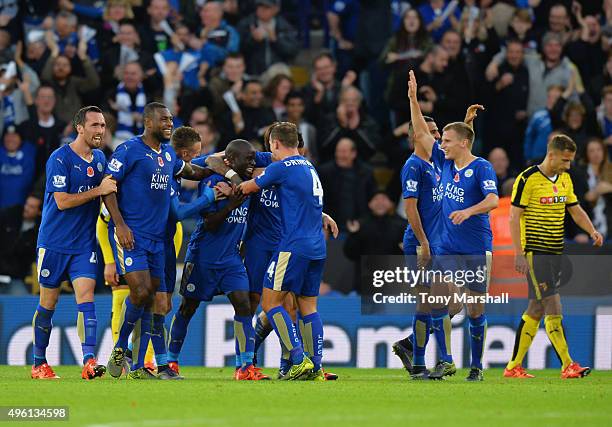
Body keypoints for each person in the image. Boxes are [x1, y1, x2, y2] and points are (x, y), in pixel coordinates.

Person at [104, 102, 213, 380]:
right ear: (148, 122)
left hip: (158, 241)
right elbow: (108, 188)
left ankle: (140, 365)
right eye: (164, 120)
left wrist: (223, 164)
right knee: (140, 293)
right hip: (132, 236)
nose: (169, 124)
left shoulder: (167, 153)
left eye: (171, 120)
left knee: (152, 299)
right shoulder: (128, 150)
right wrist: (120, 225)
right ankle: (120, 349)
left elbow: (192, 171)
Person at [409, 70, 499, 381]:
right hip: (446, 246)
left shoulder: (482, 167)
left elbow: (493, 201)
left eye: (446, 140)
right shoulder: (446, 162)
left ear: (461, 143)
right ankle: (446, 359)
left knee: (475, 310)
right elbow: (421, 133)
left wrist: (468, 211)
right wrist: (412, 100)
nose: (440, 143)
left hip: (476, 247)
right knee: (436, 298)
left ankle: (476, 367)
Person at [167, 139, 270, 380]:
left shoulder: (247, 186)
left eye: (254, 159)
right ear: (230, 162)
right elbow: (211, 223)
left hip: (231, 260)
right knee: (187, 308)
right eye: (248, 159)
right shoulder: (213, 182)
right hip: (203, 257)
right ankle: (171, 361)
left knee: (244, 305)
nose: (252, 163)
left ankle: (244, 366)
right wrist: (233, 203)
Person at [504, 134, 603, 379]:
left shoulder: (565, 179)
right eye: (565, 160)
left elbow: (575, 210)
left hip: (555, 251)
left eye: (570, 161)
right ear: (552, 155)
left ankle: (513, 367)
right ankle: (568, 364)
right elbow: (514, 217)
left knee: (536, 307)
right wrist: (519, 253)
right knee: (552, 303)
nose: (568, 165)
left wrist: (591, 230)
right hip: (535, 252)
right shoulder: (527, 179)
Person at [31, 106, 116, 380]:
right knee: (49, 302)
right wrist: (98, 191)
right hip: (54, 242)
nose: (100, 131)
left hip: (83, 244)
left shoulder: (101, 159)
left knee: (86, 298)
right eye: (94, 125)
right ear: (79, 127)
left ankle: (89, 361)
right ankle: (38, 363)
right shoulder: (60, 158)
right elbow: (62, 201)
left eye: (102, 125)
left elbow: (107, 193)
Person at [238, 122, 327, 380]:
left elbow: (248, 187)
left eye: (271, 147)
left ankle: (298, 359)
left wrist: (233, 182)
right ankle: (316, 366)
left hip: (293, 247)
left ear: (275, 144)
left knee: (270, 302)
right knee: (308, 306)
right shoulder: (309, 166)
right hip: (317, 248)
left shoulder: (281, 167)